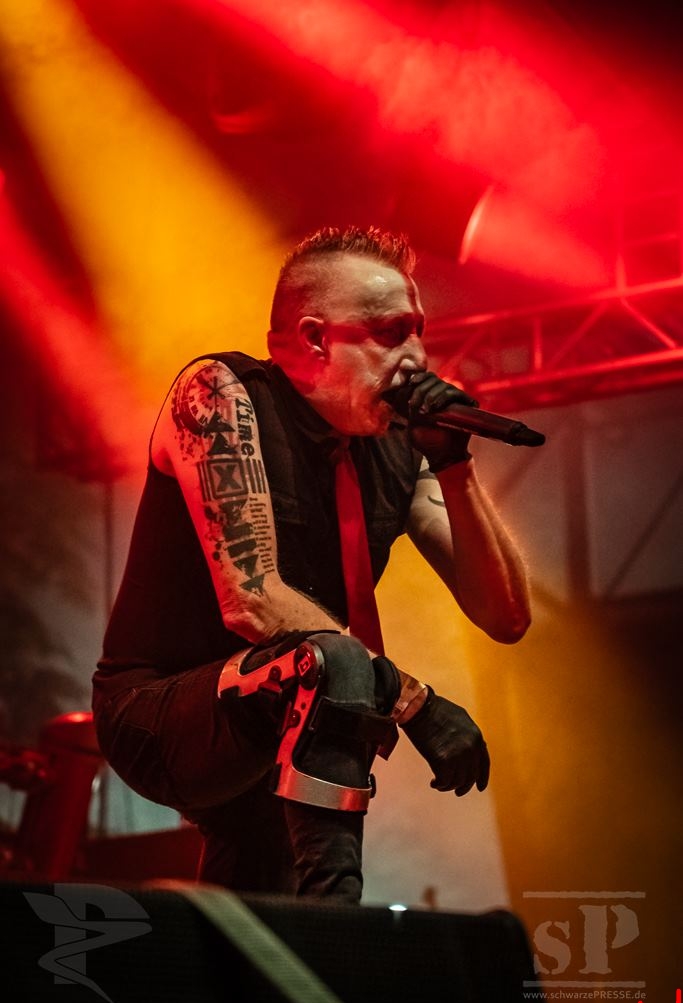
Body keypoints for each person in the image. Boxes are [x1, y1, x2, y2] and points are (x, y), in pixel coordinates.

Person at [92, 226, 530, 903]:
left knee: (258, 925)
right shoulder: (219, 394)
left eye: (418, 332)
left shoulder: (394, 448)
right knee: (333, 661)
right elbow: (254, 599)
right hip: (160, 711)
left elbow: (505, 616)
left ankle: (281, 951)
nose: (416, 357)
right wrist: (415, 703)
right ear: (316, 340)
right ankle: (339, 920)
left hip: (283, 716)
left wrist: (453, 463)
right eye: (390, 333)